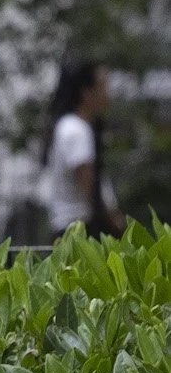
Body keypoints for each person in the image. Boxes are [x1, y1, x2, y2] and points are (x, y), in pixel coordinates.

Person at [44, 60, 124, 239]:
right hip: (78, 227)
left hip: (74, 225)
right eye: (103, 86)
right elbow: (88, 182)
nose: (107, 93)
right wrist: (112, 220)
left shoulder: (71, 126)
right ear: (86, 92)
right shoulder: (76, 130)